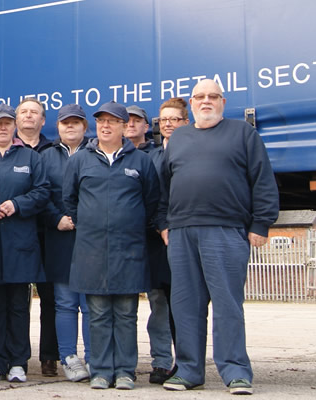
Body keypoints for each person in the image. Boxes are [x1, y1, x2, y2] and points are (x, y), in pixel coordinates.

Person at [160, 79, 279, 395]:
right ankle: (187, 371)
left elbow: (263, 181)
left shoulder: (243, 133)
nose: (206, 101)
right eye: (200, 97)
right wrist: (163, 224)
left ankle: (236, 371)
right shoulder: (179, 138)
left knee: (228, 304)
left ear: (223, 102)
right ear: (192, 103)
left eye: (213, 96)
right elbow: (163, 187)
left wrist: (261, 224)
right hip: (182, 233)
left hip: (225, 230)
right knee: (185, 305)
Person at [63, 102, 161, 391]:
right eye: (101, 121)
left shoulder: (140, 161)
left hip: (128, 249)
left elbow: (151, 200)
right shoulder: (80, 160)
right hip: (91, 249)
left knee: (126, 313)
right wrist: (90, 224)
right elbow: (69, 200)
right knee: (98, 313)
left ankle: (125, 371)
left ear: (123, 126)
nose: (105, 126)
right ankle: (102, 371)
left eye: (112, 121)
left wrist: (128, 226)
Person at [0, 104, 50, 383]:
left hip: (20, 243)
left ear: (14, 125)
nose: (3, 127)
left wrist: (17, 204)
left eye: (7, 123)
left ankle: (18, 361)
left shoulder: (30, 158)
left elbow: (42, 191)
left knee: (18, 305)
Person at [39, 103, 91, 382]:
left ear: (85, 126)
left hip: (90, 239)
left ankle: (94, 359)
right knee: (64, 302)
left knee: (90, 302)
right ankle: (69, 357)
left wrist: (86, 220)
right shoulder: (46, 157)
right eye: (65, 123)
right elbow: (40, 194)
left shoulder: (95, 153)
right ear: (57, 127)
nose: (70, 127)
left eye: (76, 122)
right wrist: (55, 218)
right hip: (58, 237)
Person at [144, 97, 190, 385]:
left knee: (186, 303)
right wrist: (159, 227)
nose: (169, 124)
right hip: (156, 239)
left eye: (175, 119)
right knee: (158, 301)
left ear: (186, 122)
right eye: (164, 120)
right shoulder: (150, 156)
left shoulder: (196, 152)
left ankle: (186, 361)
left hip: (187, 236)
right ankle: (161, 362)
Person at [13, 97, 60, 377]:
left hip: (47, 234)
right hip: (14, 232)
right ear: (16, 119)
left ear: (43, 121)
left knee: (50, 298)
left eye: (35, 113)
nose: (29, 116)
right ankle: (16, 356)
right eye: (24, 112)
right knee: (16, 298)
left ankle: (49, 356)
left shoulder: (52, 151)